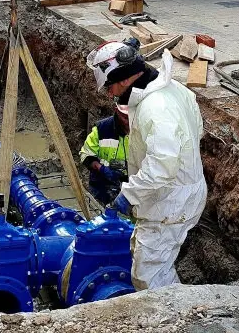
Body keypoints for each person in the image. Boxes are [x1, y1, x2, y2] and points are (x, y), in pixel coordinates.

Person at [86, 39, 206, 290]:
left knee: (148, 276)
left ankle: (178, 318)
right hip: (174, 192)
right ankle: (183, 304)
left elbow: (162, 166)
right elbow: (197, 131)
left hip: (171, 201)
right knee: (152, 260)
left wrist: (129, 194)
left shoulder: (156, 107)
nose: (110, 94)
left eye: (110, 86)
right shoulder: (172, 89)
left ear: (126, 78)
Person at [79, 104, 130, 205]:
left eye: (132, 116)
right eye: (125, 117)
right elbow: (86, 154)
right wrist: (101, 168)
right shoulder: (102, 129)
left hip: (131, 186)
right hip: (102, 186)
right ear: (117, 111)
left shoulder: (144, 129)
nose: (129, 122)